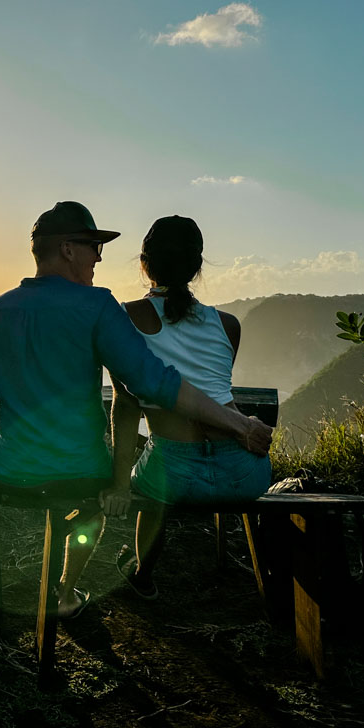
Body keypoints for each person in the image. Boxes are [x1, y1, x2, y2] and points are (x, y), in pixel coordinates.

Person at [0, 202, 273, 630]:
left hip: (11, 470)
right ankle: (64, 592)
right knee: (100, 492)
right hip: (85, 469)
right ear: (66, 249)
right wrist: (240, 424)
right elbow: (154, 383)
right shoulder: (99, 307)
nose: (99, 256)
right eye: (93, 246)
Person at [105, 215, 273, 600]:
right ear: (197, 268)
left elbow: (126, 407)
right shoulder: (228, 324)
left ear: (144, 263)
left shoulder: (124, 318)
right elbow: (212, 394)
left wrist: (118, 483)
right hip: (245, 471)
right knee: (164, 463)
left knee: (156, 468)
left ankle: (142, 575)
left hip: (175, 474)